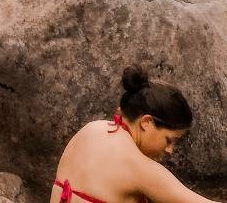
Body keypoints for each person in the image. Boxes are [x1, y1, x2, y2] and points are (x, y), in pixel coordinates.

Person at [51, 65, 218, 203]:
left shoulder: (90, 130)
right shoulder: (138, 167)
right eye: (169, 140)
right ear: (146, 122)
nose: (170, 150)